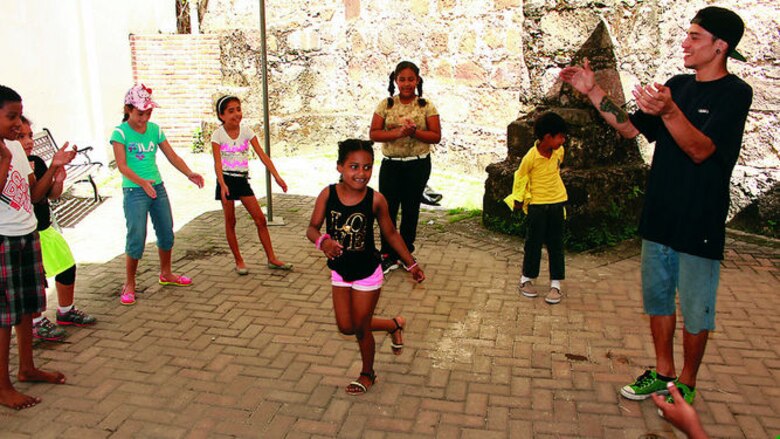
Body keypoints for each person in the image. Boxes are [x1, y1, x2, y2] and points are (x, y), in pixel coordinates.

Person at [560, 6, 752, 407]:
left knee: (696, 308)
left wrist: (669, 111)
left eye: (695, 37)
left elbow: (701, 150)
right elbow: (631, 128)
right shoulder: (678, 86)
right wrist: (594, 91)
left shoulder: (735, 94)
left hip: (700, 219)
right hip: (660, 215)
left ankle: (686, 382)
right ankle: (663, 372)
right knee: (659, 299)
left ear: (720, 47)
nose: (685, 42)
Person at [306, 139, 425, 395]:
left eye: (367, 167)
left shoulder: (376, 200)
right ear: (339, 167)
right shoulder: (327, 194)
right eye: (354, 167)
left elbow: (391, 233)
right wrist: (323, 242)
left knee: (361, 327)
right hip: (339, 270)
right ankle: (394, 325)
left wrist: (411, 263)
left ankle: (367, 373)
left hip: (368, 272)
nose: (361, 174)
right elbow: (312, 228)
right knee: (346, 326)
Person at [0, 85, 69, 410]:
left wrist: (54, 167)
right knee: (4, 317)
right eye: (11, 117)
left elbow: (34, 195)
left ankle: (26, 367)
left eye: (19, 115)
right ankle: (3, 386)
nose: (18, 125)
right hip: (3, 240)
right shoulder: (4, 151)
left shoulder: (15, 149)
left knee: (28, 307)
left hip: (28, 233)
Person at [110, 84, 205, 306]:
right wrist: (142, 182)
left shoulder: (155, 130)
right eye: (140, 113)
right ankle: (129, 283)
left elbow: (172, 156)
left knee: (166, 231)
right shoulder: (120, 133)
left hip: (157, 188)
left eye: (148, 113)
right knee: (136, 236)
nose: (144, 118)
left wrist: (189, 173)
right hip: (135, 190)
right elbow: (122, 166)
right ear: (128, 109)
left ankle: (166, 273)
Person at [17, 116, 96, 341]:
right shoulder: (11, 166)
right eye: (21, 136)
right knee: (36, 280)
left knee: (66, 267)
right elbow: (34, 196)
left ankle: (66, 310)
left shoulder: (36, 162)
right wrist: (53, 167)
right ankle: (35, 322)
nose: (28, 141)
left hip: (45, 228)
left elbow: (51, 194)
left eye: (30, 135)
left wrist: (58, 178)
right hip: (26, 232)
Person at [369, 61, 441, 274]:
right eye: (402, 79)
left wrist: (414, 133)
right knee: (387, 209)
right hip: (391, 165)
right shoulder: (386, 105)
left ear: (417, 80)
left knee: (411, 209)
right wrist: (397, 133)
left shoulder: (426, 105)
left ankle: (405, 252)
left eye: (411, 79)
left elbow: (436, 136)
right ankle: (387, 254)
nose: (407, 84)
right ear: (395, 81)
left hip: (418, 165)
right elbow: (374, 133)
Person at [211, 95, 291, 274]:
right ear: (221, 115)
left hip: (242, 180)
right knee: (230, 221)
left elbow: (262, 155)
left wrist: (276, 176)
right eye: (231, 111)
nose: (236, 114)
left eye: (238, 109)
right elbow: (217, 163)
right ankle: (239, 261)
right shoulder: (218, 135)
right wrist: (222, 184)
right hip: (226, 180)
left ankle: (272, 258)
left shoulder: (247, 131)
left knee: (260, 220)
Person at [505, 112, 568, 304]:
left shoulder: (559, 152)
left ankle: (555, 284)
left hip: (557, 203)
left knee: (556, 244)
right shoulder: (530, 157)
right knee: (533, 243)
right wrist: (517, 199)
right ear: (547, 137)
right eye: (560, 136)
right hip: (537, 207)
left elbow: (557, 168)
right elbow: (521, 177)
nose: (562, 140)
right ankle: (526, 280)